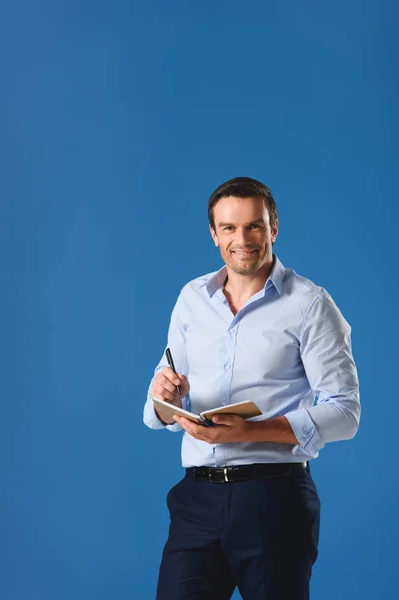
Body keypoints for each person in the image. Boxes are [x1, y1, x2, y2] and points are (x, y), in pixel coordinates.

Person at [143, 176, 360, 600]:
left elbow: (346, 412)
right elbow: (161, 400)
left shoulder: (310, 304)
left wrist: (251, 430)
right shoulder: (191, 298)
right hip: (196, 499)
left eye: (254, 226)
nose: (241, 239)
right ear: (213, 233)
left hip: (274, 499)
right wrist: (165, 396)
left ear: (273, 229)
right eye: (228, 228)